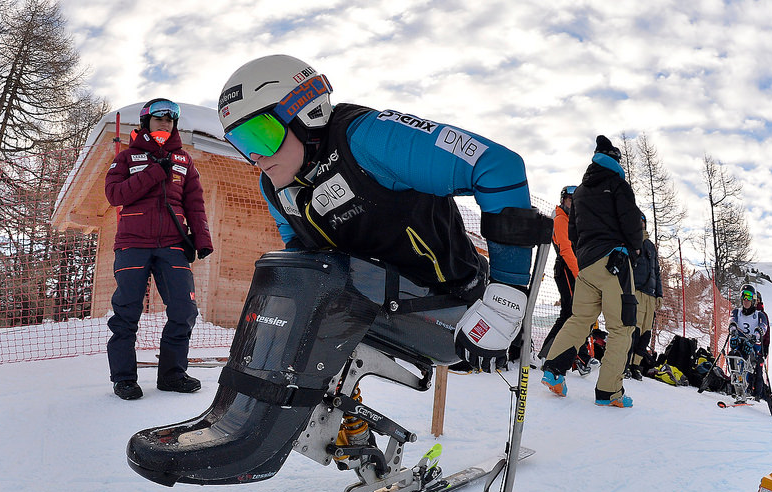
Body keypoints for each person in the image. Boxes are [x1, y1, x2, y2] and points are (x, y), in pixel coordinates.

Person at [217, 54, 549, 375]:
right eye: (243, 142)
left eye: (261, 133)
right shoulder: (273, 186)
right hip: (369, 308)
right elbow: (299, 252)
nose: (257, 155)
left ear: (306, 114)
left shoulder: (368, 139)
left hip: (451, 306)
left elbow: (497, 167)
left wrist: (506, 298)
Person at [104, 98, 214, 400]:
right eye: (158, 118)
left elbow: (195, 203)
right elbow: (114, 194)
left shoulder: (184, 161)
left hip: (173, 246)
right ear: (146, 123)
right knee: (126, 313)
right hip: (131, 244)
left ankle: (172, 375)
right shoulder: (126, 157)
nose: (164, 123)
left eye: (169, 119)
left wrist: (203, 240)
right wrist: (154, 172)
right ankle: (124, 379)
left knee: (184, 310)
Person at [540, 135, 642, 408]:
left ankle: (553, 370)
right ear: (616, 161)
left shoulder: (582, 191)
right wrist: (634, 250)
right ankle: (609, 392)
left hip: (586, 265)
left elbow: (572, 232)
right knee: (622, 327)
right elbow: (632, 222)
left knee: (579, 319)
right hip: (614, 262)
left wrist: (586, 254)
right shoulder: (618, 185)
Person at [538, 185, 579, 361]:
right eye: (570, 200)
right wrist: (579, 274)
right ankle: (548, 353)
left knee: (575, 313)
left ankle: (571, 354)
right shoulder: (561, 219)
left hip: (573, 269)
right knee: (569, 312)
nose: (572, 205)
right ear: (563, 200)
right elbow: (566, 250)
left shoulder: (573, 221)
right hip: (566, 269)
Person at [626, 213, 662, 380]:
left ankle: (635, 365)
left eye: (642, 222)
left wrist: (659, 294)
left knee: (646, 333)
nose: (640, 224)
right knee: (634, 330)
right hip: (637, 291)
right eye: (637, 222)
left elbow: (657, 272)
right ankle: (625, 364)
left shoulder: (650, 246)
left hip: (650, 296)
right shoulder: (631, 241)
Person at [728, 284, 769, 401]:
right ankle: (737, 386)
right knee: (733, 354)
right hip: (739, 345)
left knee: (746, 354)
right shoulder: (737, 312)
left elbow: (763, 327)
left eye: (749, 297)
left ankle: (745, 388)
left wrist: (755, 336)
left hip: (753, 348)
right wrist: (733, 331)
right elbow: (732, 321)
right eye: (744, 296)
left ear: (754, 299)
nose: (746, 299)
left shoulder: (759, 315)